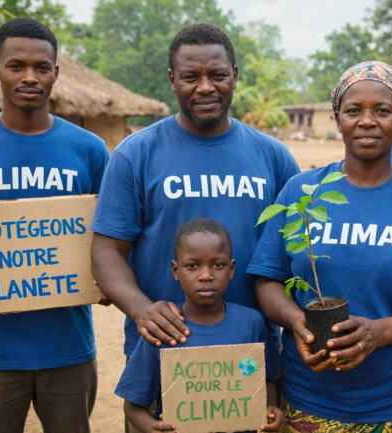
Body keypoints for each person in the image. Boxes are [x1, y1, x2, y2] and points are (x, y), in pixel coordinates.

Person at [248, 61, 392, 431]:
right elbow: (268, 279)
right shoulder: (301, 193)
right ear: (337, 117)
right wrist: (298, 322)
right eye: (354, 110)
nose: (367, 121)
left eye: (383, 111)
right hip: (310, 401)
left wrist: (379, 333)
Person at [90, 23, 298, 355]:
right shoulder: (135, 154)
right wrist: (141, 309)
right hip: (164, 346)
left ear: (234, 75)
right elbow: (107, 251)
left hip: (253, 349)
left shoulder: (273, 156)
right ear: (172, 80)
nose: (205, 87)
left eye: (217, 75)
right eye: (191, 77)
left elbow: (297, 250)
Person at [0, 18, 108, 433]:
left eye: (42, 67)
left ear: (56, 72)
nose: (30, 77)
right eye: (17, 66)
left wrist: (107, 282)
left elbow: (110, 237)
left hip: (68, 349)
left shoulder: (89, 149)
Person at [115, 218, 284, 433]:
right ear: (176, 270)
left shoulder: (251, 323)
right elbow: (132, 405)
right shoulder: (163, 329)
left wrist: (270, 410)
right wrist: (153, 428)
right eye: (192, 266)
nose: (206, 276)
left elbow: (266, 381)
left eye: (218, 265)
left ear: (231, 269)